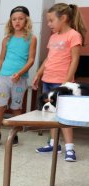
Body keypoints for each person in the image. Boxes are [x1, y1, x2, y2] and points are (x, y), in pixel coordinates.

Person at [32, 3, 86, 162]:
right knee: (52, 114)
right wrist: (38, 73)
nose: (49, 24)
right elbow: (49, 58)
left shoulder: (74, 35)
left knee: (65, 116)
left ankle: (70, 148)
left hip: (62, 84)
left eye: (51, 20)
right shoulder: (53, 37)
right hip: (48, 80)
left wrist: (66, 82)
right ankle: (53, 144)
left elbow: (75, 60)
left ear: (63, 18)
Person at [0, 6, 37, 147]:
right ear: (10, 22)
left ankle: (14, 134)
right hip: (4, 78)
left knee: (16, 107)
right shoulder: (7, 39)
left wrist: (20, 73)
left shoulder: (31, 38)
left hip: (20, 79)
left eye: (21, 19)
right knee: (0, 106)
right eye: (14, 19)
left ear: (26, 20)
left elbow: (31, 60)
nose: (17, 22)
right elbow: (1, 59)